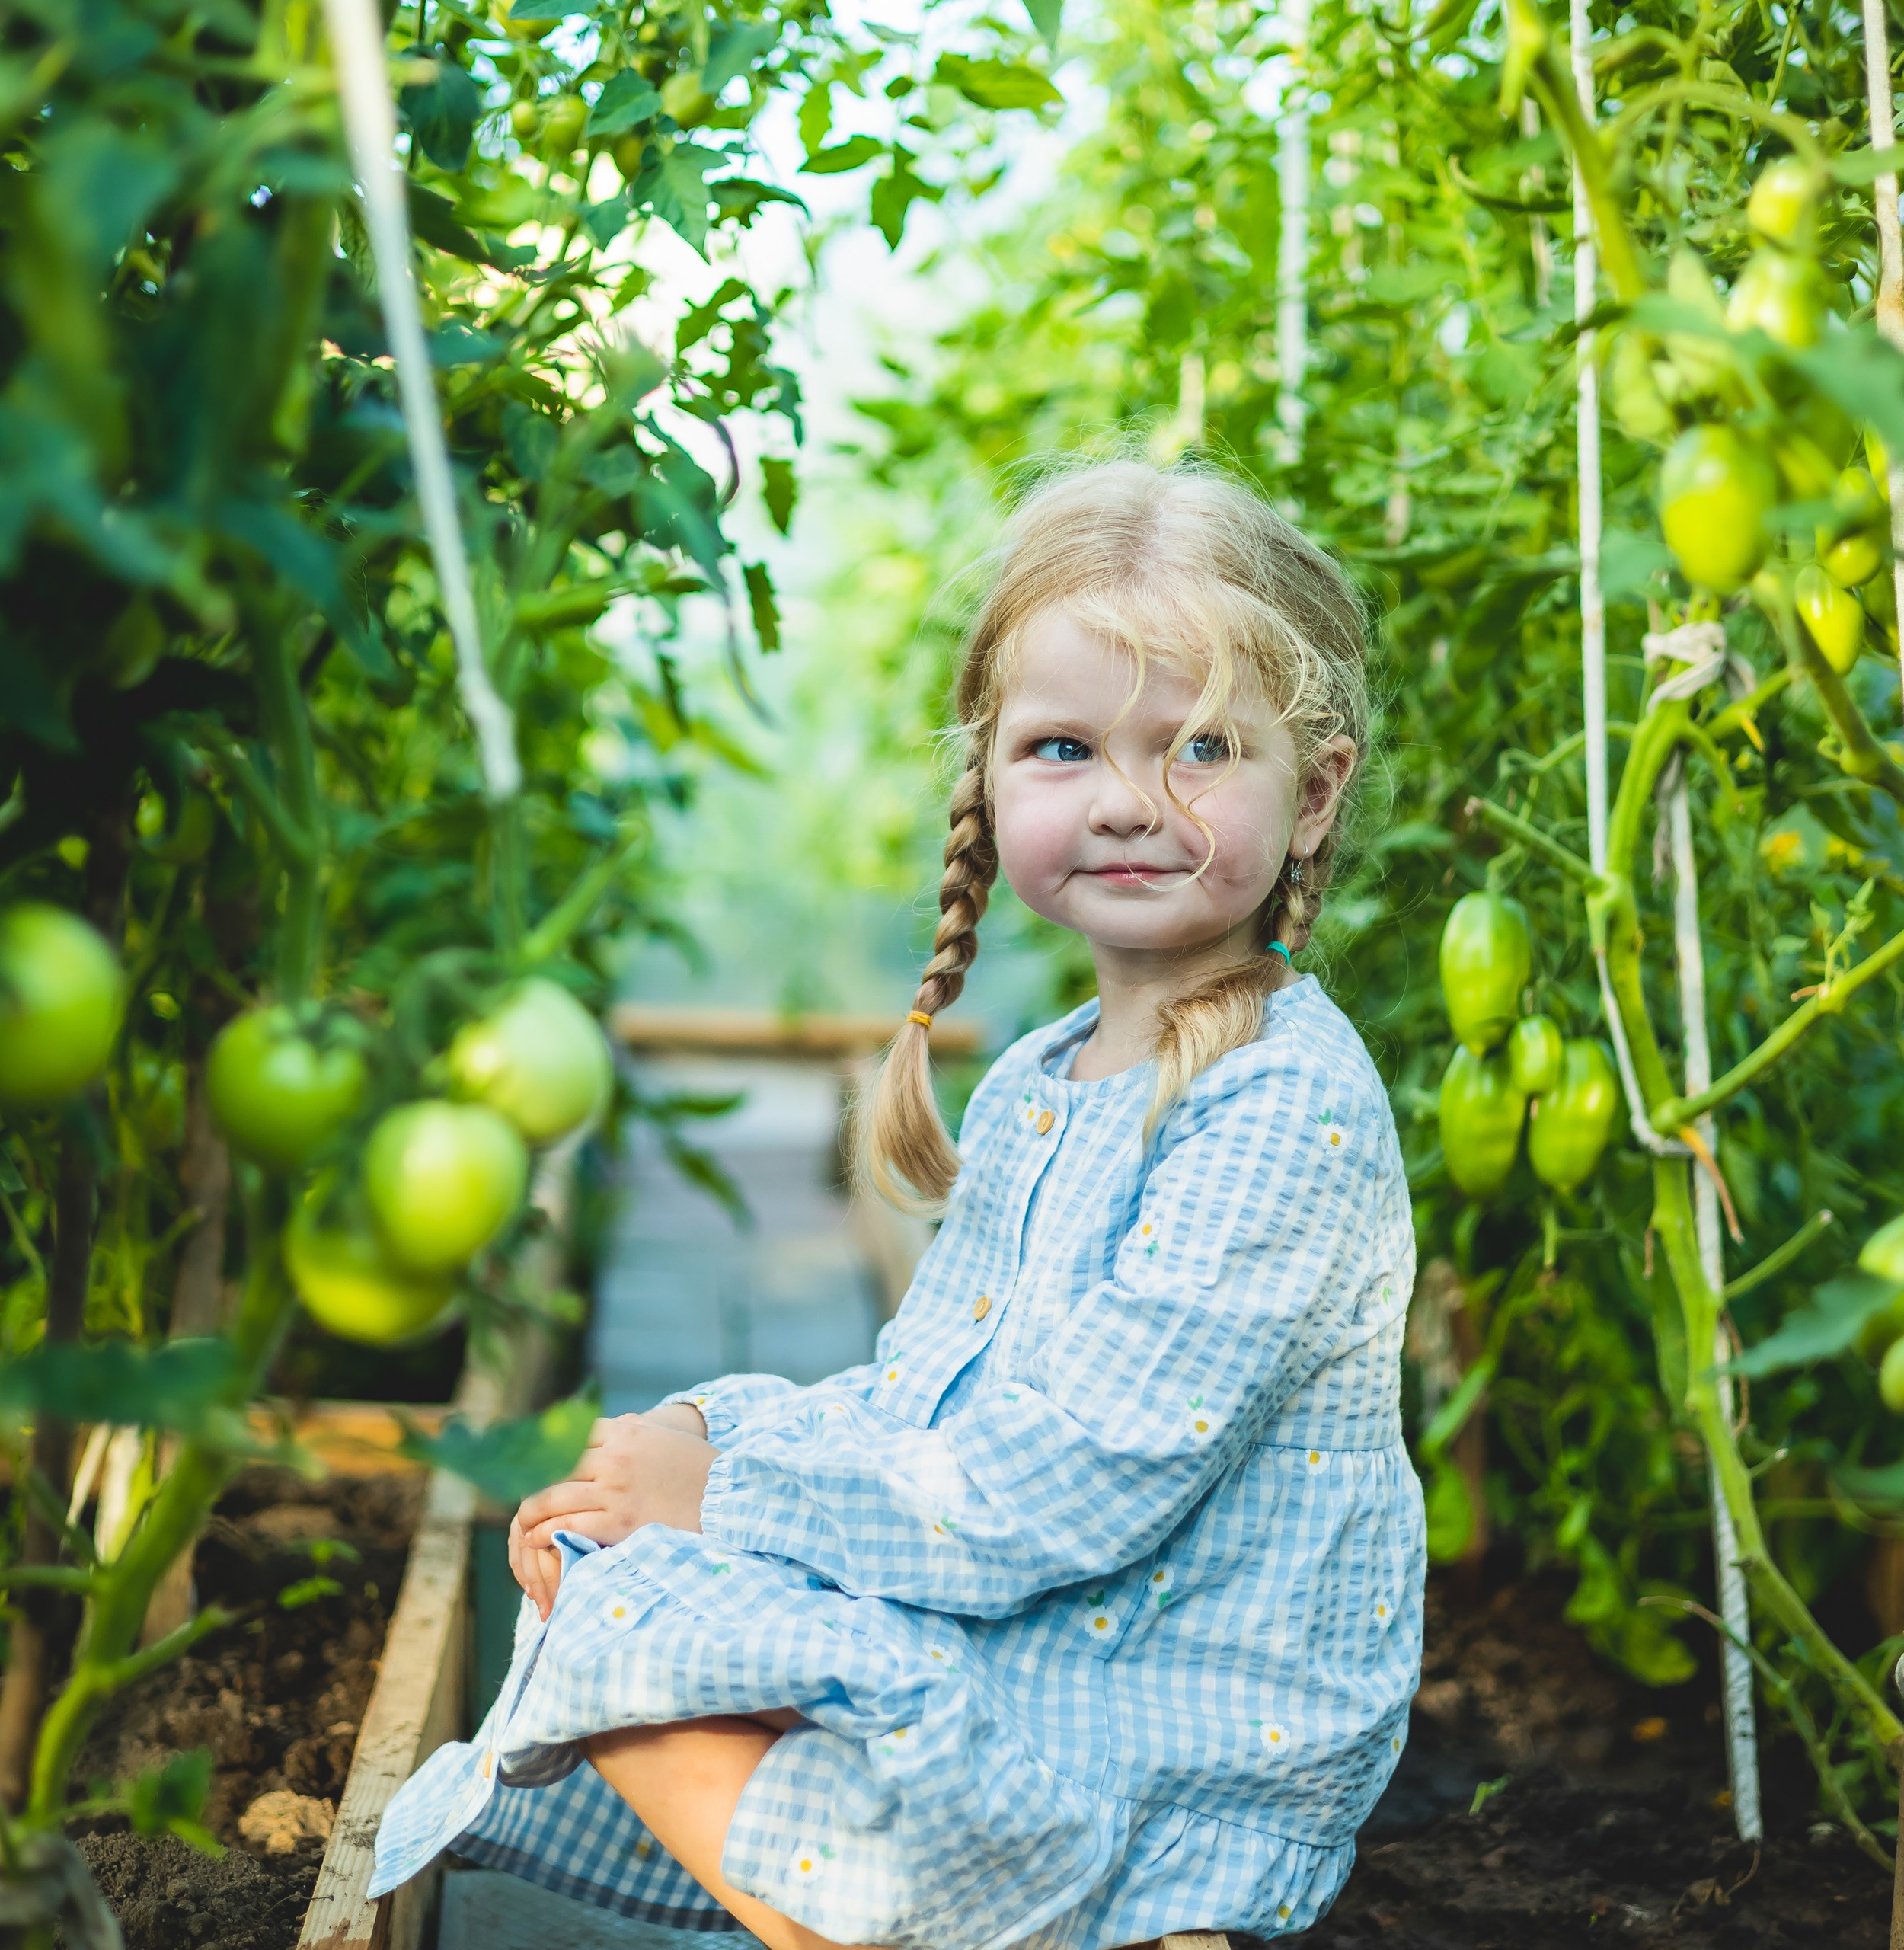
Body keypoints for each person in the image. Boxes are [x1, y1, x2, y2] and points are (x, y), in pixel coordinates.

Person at [370, 458, 1423, 1950]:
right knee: (603, 1562)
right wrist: (709, 1435)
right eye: (1063, 747)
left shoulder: (1279, 1105)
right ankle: (879, 1883)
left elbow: (1071, 1475)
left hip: (1176, 1774)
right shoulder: (1045, 1074)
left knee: (625, 1614)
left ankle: (909, 1911)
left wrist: (724, 1497)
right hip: (1051, 1651)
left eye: (1196, 746)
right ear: (987, 780)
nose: (1128, 801)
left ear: (1310, 790)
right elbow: (928, 1402)